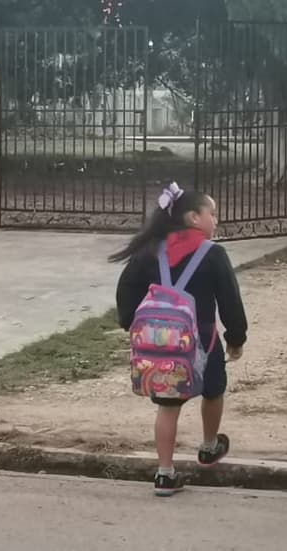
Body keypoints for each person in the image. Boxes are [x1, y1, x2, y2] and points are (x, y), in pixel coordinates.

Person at [112, 182, 248, 496]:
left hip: (161, 346)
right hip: (203, 341)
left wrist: (132, 324)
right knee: (214, 391)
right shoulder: (213, 254)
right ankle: (209, 446)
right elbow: (230, 300)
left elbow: (126, 290)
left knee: (168, 406)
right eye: (211, 213)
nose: (216, 219)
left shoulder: (150, 251)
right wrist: (236, 337)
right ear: (192, 217)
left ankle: (164, 473)